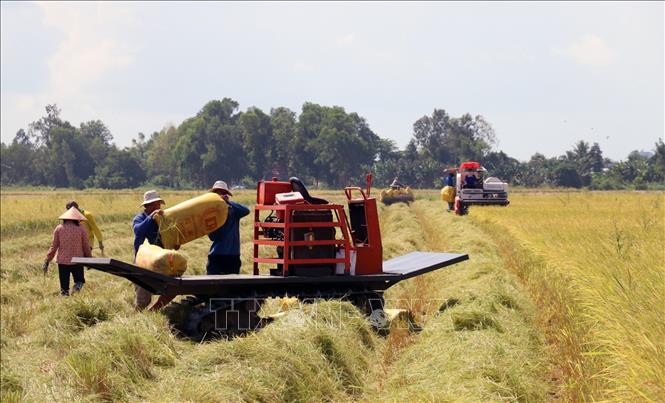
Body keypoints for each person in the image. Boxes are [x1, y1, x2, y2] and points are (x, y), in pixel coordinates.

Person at [43, 207, 92, 296]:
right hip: (77, 261)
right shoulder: (81, 228)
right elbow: (86, 246)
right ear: (77, 219)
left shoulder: (59, 228)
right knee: (79, 281)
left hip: (62, 262)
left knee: (64, 288)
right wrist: (89, 259)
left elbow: (54, 247)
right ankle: (75, 293)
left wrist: (47, 260)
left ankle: (65, 298)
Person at [207, 180, 250, 275]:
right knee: (213, 287)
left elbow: (246, 210)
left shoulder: (234, 210)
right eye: (218, 194)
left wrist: (228, 203)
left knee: (232, 288)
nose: (220, 196)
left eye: (223, 193)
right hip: (217, 255)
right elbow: (211, 236)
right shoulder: (210, 213)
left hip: (233, 256)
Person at [132, 190, 165, 309]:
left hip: (161, 257)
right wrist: (150, 218)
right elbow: (139, 231)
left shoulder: (161, 218)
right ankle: (138, 313)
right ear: (148, 205)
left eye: (159, 204)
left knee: (171, 284)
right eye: (157, 204)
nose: (159, 207)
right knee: (143, 290)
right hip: (143, 259)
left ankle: (155, 309)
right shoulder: (139, 218)